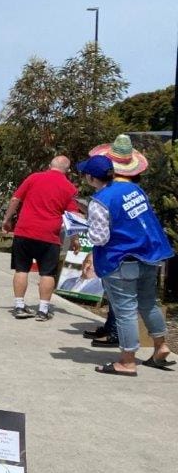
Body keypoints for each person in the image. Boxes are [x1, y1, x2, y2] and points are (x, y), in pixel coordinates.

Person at [77, 143, 175, 376]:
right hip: (147, 256)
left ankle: (127, 360)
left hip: (120, 260)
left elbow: (100, 238)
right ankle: (161, 346)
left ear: (91, 178)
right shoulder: (134, 191)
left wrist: (83, 227)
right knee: (149, 303)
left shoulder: (100, 201)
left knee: (125, 311)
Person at [0, 156, 81, 321]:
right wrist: (75, 239)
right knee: (47, 273)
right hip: (49, 236)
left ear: (49, 165)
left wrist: (7, 220)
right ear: (68, 170)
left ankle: (19, 306)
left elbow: (16, 199)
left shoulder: (34, 177)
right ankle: (43, 310)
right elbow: (73, 216)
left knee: (21, 269)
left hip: (24, 231)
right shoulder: (70, 188)